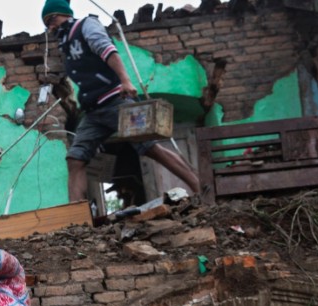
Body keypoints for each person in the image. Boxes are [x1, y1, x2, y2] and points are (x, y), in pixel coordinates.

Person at [42, 0, 201, 203]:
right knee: (75, 159)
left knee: (150, 148)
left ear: (63, 13)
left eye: (52, 19)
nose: (50, 27)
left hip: (114, 100)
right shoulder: (65, 43)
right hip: (92, 111)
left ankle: (199, 187)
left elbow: (107, 50)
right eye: (47, 23)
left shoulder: (86, 25)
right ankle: (77, 216)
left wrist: (126, 81)